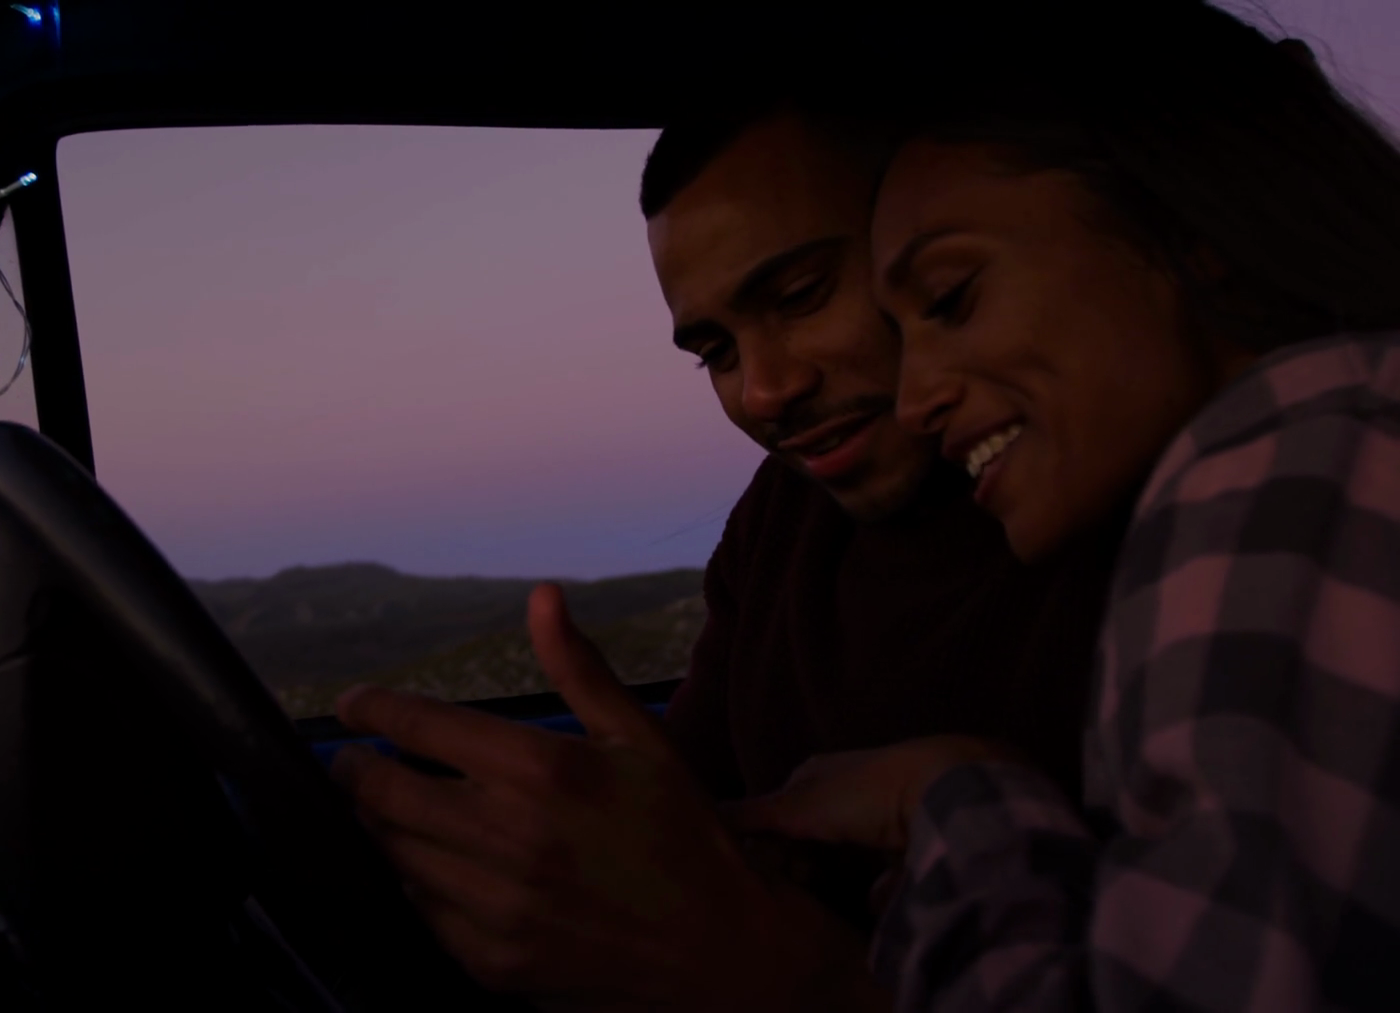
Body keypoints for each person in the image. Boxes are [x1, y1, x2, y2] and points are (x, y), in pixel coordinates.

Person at [324, 10, 1126, 1007]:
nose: (763, 390)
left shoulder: (1147, 529)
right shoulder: (789, 516)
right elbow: (690, 820)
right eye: (716, 351)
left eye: (800, 293)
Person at [732, 3, 1400, 1008]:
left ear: (1189, 226)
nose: (916, 399)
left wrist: (951, 812)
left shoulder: (1283, 463)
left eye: (952, 297)